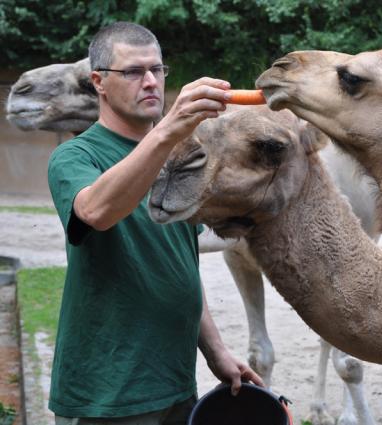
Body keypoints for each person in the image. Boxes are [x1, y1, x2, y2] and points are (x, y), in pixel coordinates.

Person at [47, 21, 263, 424]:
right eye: (132, 72)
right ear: (99, 82)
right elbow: (95, 212)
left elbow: (178, 264)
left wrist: (216, 351)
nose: (150, 81)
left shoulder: (177, 157)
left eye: (156, 70)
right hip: (108, 394)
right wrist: (165, 132)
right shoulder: (76, 157)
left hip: (175, 383)